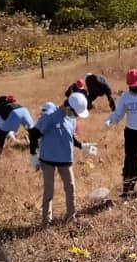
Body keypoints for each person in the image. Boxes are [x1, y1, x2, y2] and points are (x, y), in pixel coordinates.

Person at [34, 93, 94, 227]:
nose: (76, 116)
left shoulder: (71, 118)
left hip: (65, 159)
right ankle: (46, 222)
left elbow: (70, 137)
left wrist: (82, 146)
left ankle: (70, 217)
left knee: (71, 188)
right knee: (49, 190)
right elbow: (35, 134)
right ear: (68, 107)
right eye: (76, 113)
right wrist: (33, 154)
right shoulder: (49, 116)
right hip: (48, 159)